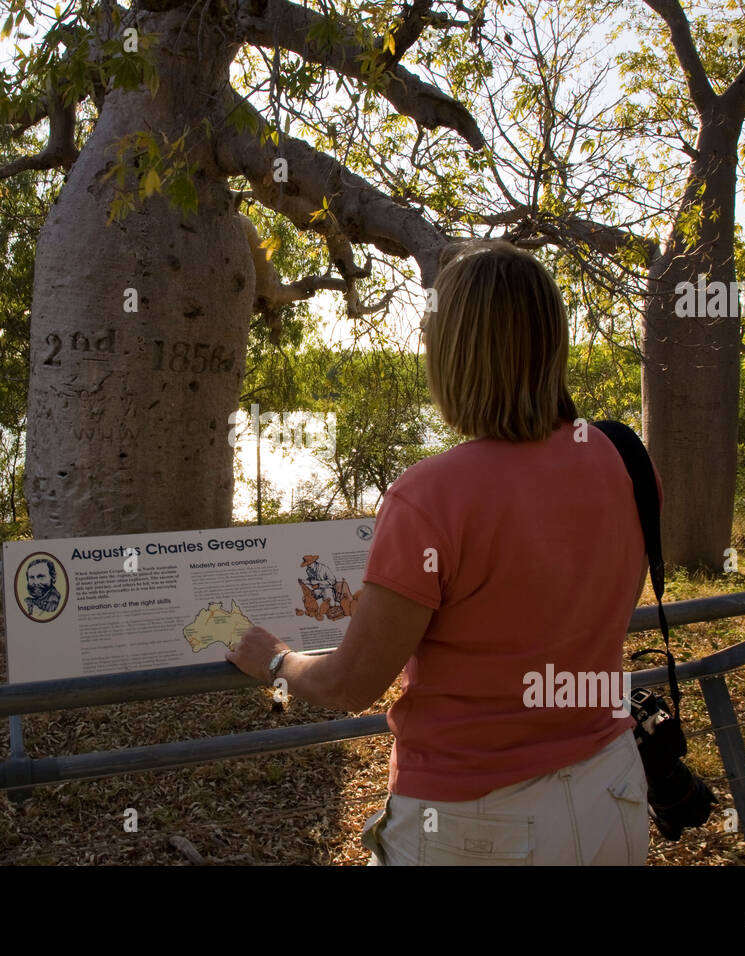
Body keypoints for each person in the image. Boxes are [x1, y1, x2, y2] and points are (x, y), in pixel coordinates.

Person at [226, 239, 660, 865]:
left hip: (475, 821)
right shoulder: (625, 460)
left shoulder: (429, 496)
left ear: (453, 356)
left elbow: (352, 684)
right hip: (611, 792)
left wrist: (279, 661)